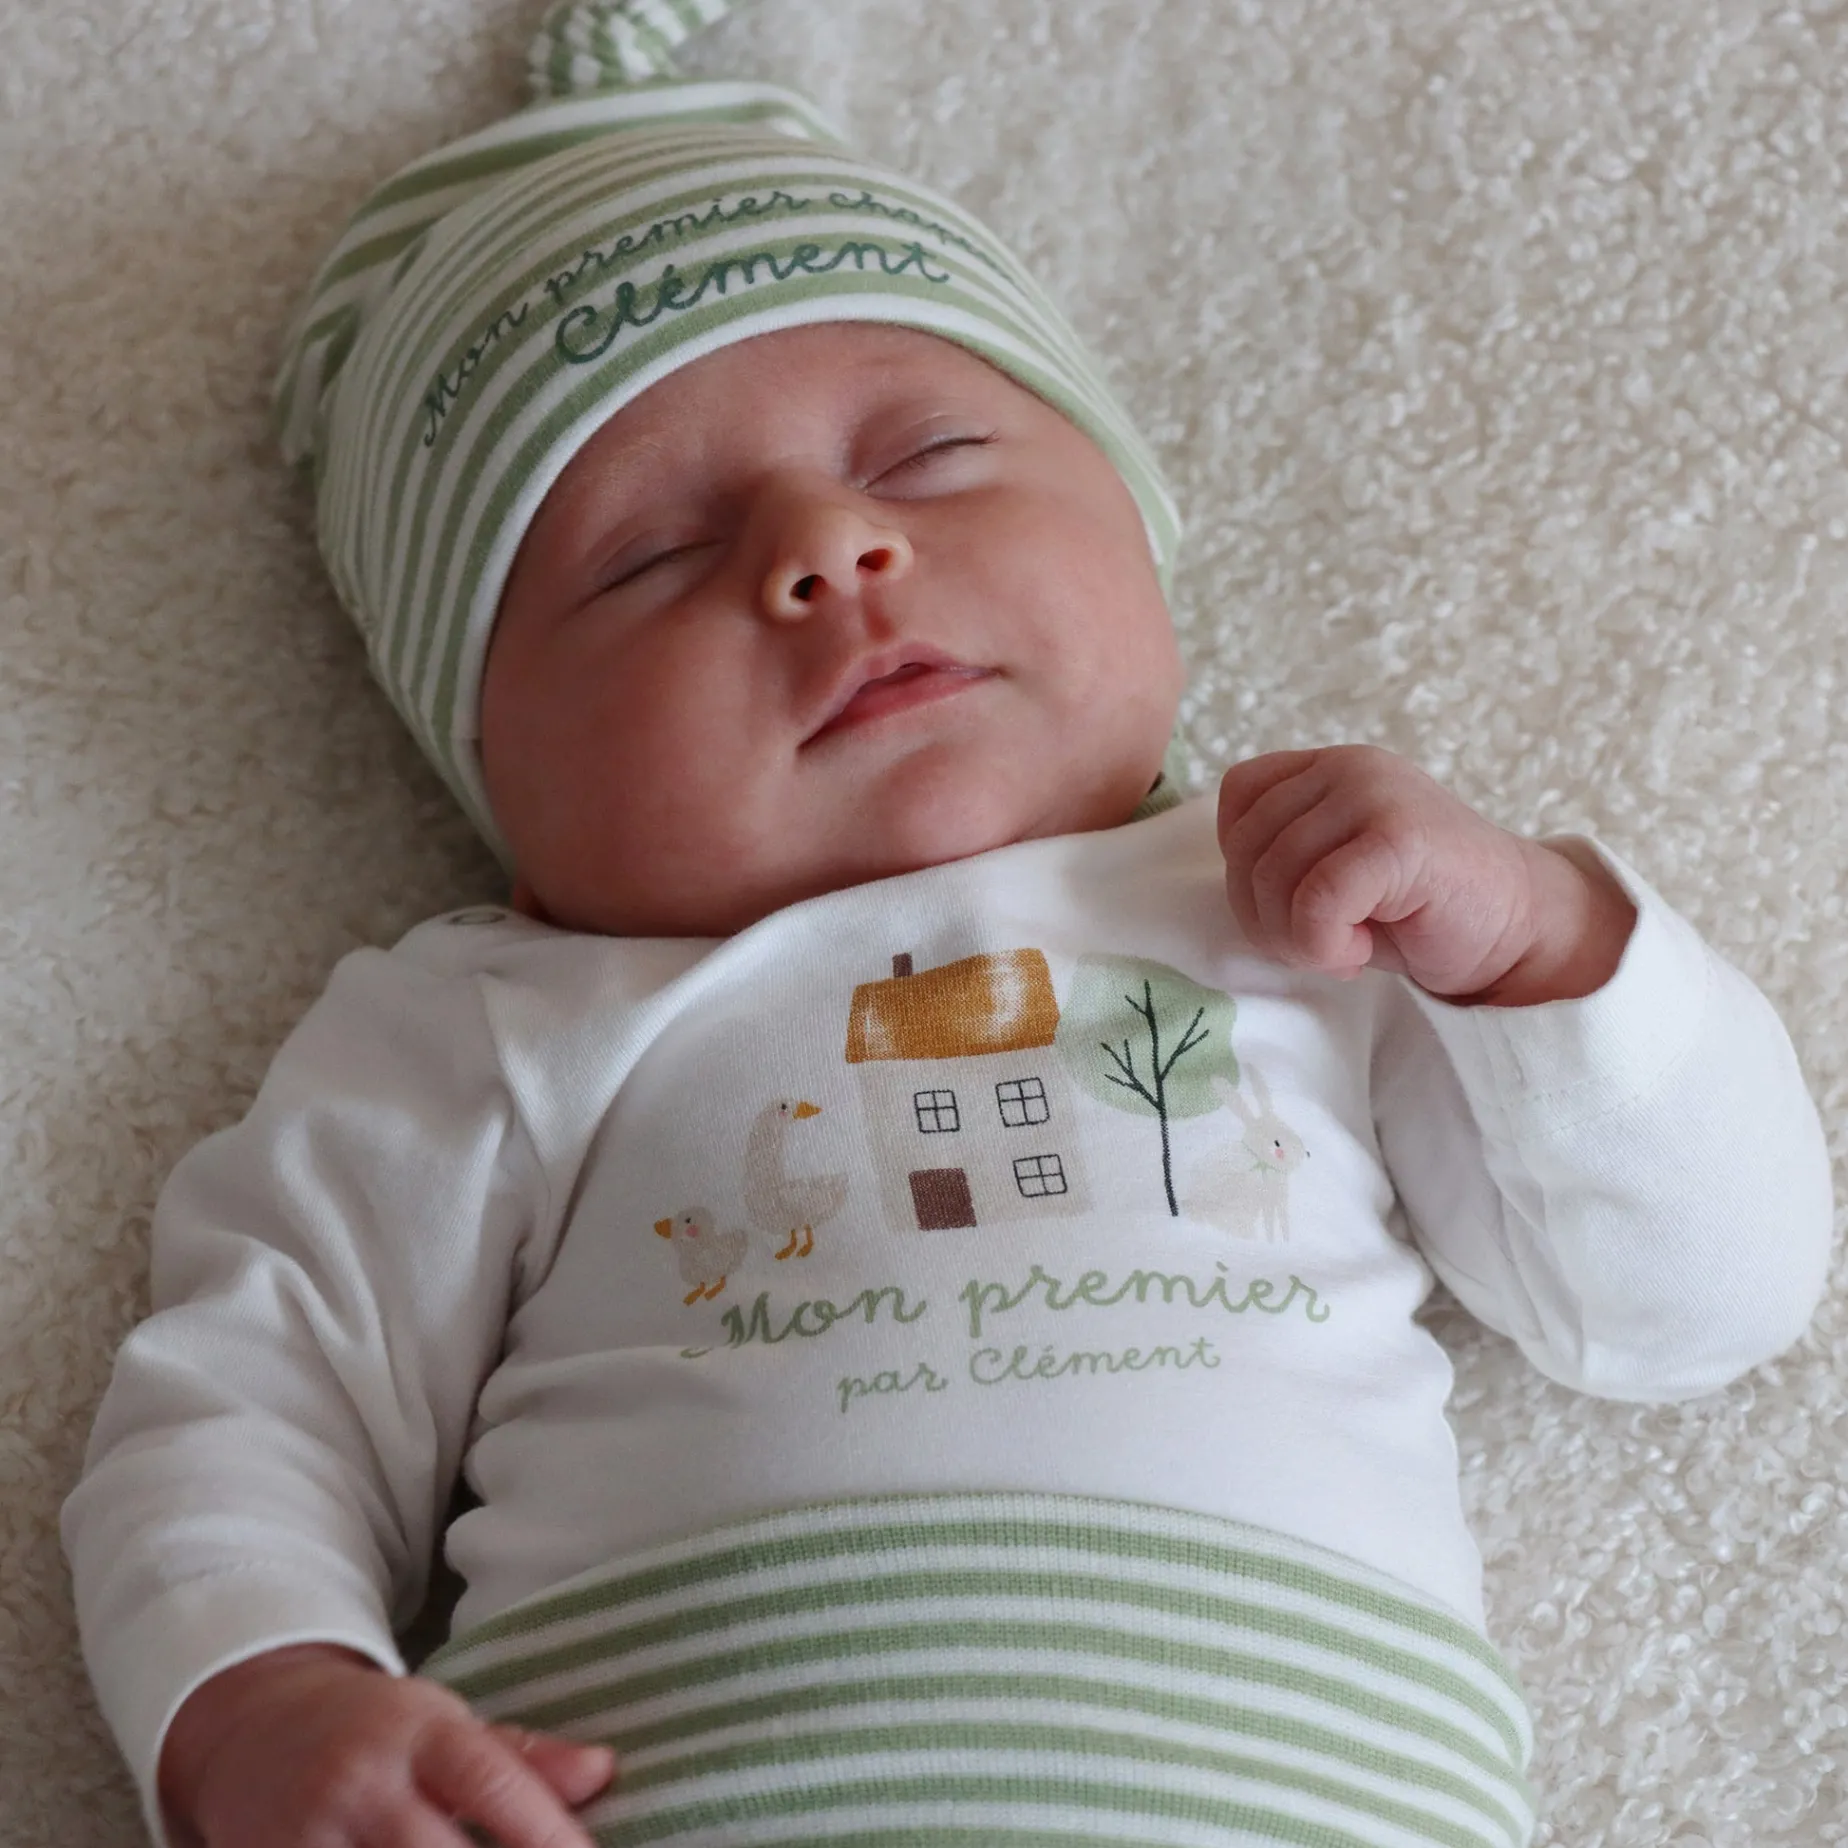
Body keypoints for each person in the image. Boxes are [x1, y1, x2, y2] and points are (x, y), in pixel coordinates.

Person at [62, 2, 1834, 1845]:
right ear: (497, 776)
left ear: (1138, 531)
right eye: (649, 557)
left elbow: (1695, 1307)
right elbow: (253, 1396)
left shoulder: (1300, 906)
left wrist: (1546, 953)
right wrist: (259, 1698)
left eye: (928, 456)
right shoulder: (499, 1023)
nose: (827, 546)